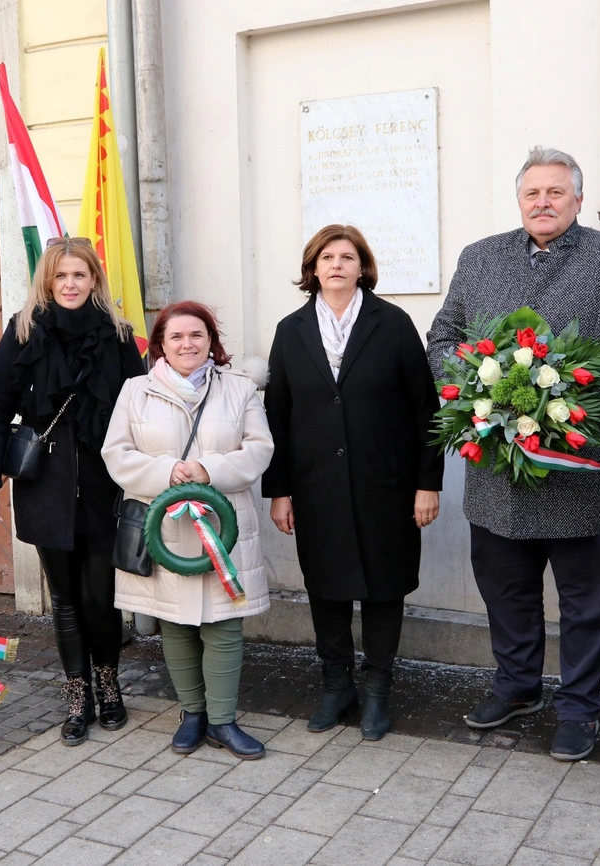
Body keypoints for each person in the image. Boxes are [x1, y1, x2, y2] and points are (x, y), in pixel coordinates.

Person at [426, 146, 600, 762]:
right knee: (505, 589)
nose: (543, 202)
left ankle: (579, 708)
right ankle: (516, 687)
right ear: (520, 200)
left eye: (555, 193)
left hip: (582, 468)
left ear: (578, 199)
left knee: (586, 602)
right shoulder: (479, 257)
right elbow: (443, 338)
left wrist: (576, 390)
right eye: (532, 193)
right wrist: (473, 384)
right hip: (498, 471)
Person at [262, 224, 443, 741]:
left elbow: (425, 411)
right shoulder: (290, 330)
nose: (336, 265)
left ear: (362, 267)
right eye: (326, 257)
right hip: (316, 487)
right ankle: (336, 686)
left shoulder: (393, 323)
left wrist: (427, 483)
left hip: (387, 484)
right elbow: (278, 416)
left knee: (384, 587)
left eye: (347, 257)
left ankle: (379, 692)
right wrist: (280, 490)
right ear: (313, 269)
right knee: (327, 587)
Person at [0, 237, 145, 745]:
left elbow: (142, 408)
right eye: (61, 277)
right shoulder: (23, 333)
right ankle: (78, 694)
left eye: (79, 276)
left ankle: (109, 684)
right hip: (44, 483)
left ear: (94, 280)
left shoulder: (117, 336)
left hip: (102, 484)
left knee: (101, 596)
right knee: (65, 598)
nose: (70, 285)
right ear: (47, 282)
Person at [102, 302, 274, 759]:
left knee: (224, 625)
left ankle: (223, 720)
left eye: (196, 335)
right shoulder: (135, 391)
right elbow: (116, 454)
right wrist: (168, 471)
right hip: (165, 531)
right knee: (175, 623)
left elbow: (260, 450)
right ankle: (192, 714)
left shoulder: (239, 389)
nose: (187, 344)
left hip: (224, 527)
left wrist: (207, 469)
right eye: (176, 337)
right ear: (160, 344)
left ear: (211, 341)